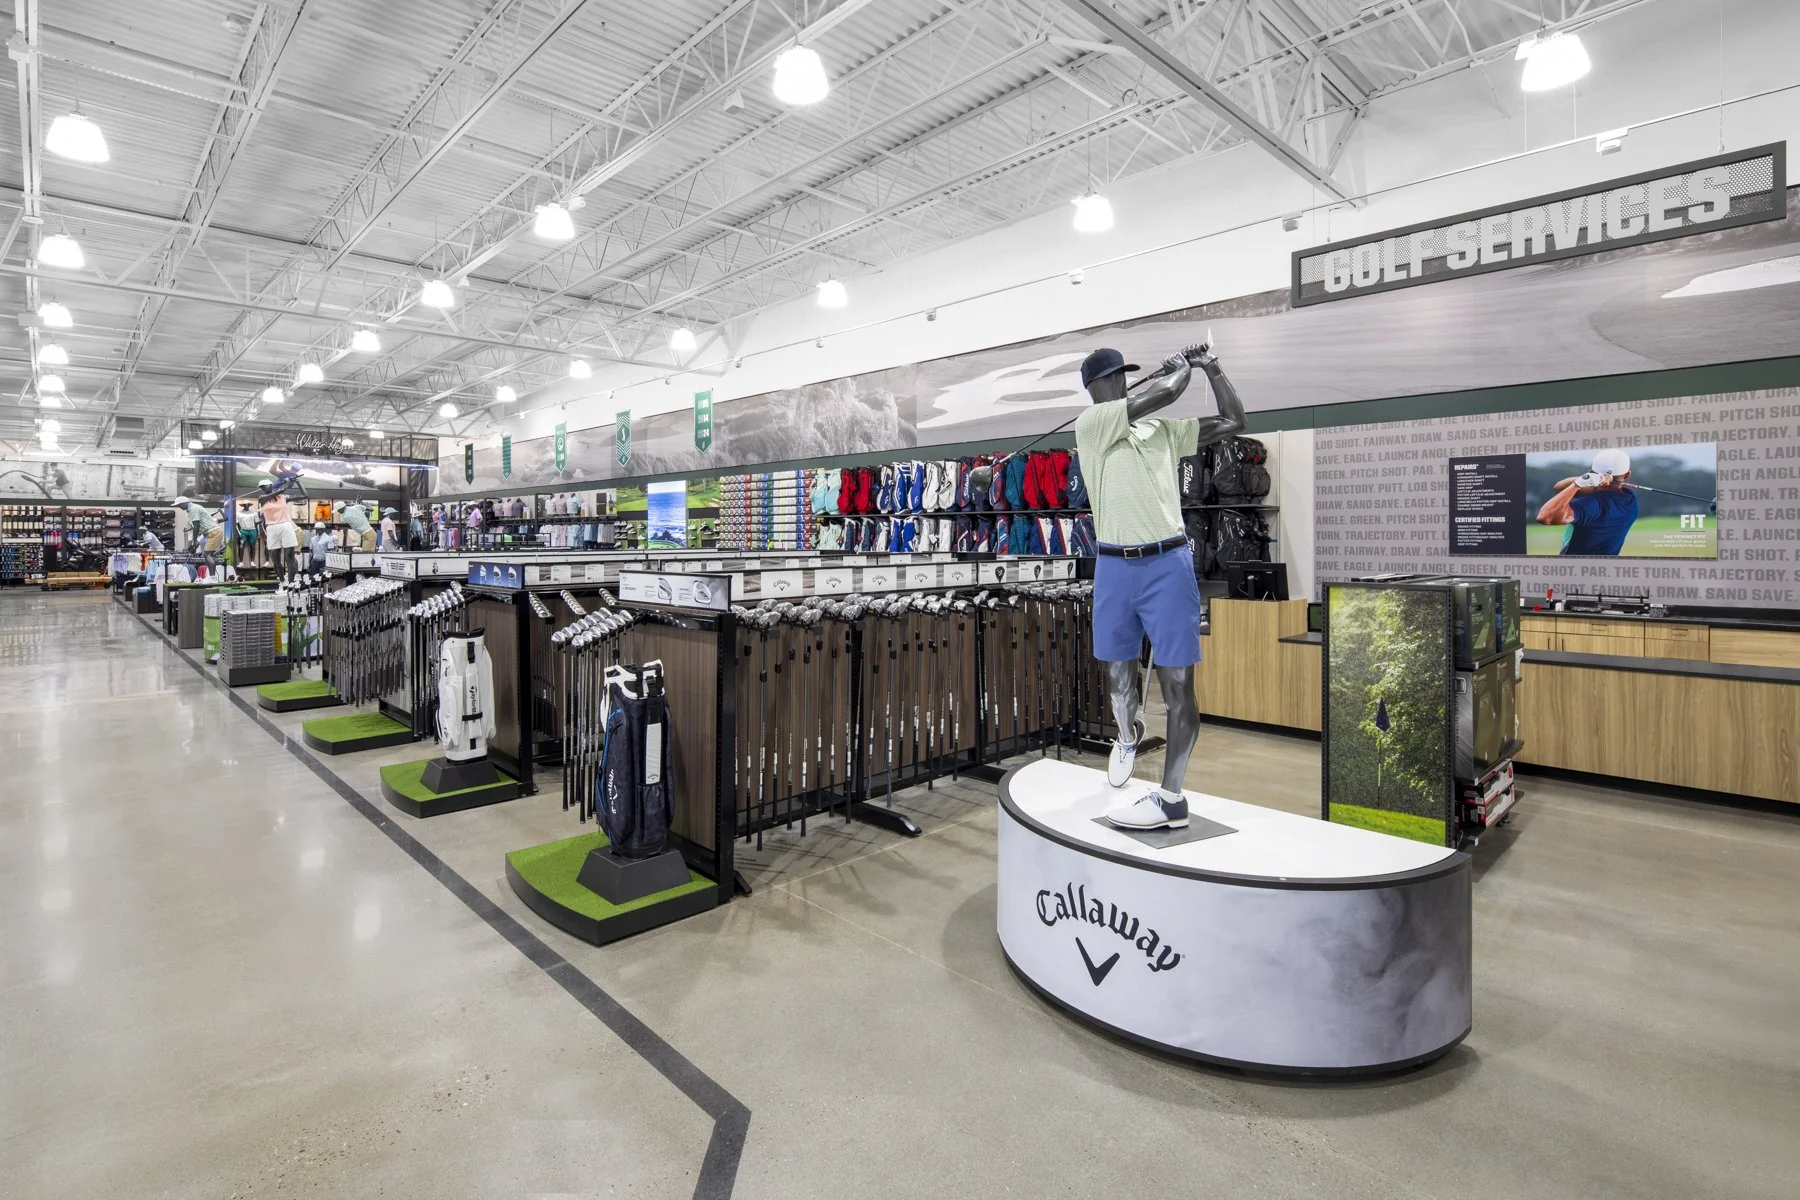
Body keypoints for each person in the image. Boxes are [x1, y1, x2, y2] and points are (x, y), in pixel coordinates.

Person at [1074, 342, 1246, 831]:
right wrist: (1181, 370)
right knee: (1118, 679)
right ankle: (1126, 735)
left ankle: (1171, 797)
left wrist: (1212, 367)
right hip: (1112, 566)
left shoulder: (1161, 432)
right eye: (1113, 378)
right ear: (1096, 388)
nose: (1123, 383)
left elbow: (1234, 420)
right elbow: (1165, 393)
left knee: (1177, 682)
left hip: (1168, 563)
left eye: (1124, 375)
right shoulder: (1094, 426)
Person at [1536, 449, 1639, 556]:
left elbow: (1545, 517)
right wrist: (1585, 480)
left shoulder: (1591, 504)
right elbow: (1559, 487)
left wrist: (1579, 483)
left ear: (1590, 471)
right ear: (1627, 475)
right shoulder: (1630, 500)